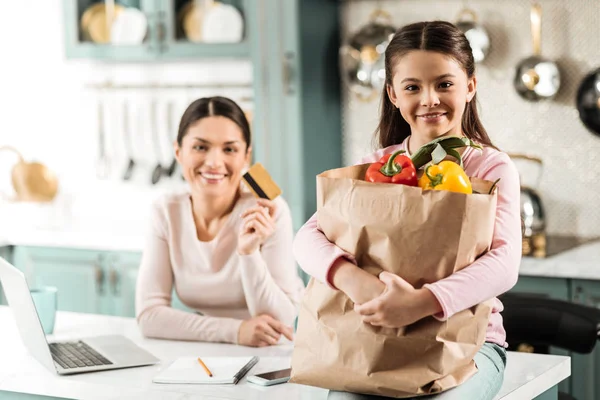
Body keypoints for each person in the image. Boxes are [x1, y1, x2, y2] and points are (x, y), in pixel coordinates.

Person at [293, 21, 521, 399]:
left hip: (471, 347)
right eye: (412, 87)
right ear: (393, 95)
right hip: (377, 342)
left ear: (471, 85)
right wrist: (358, 284)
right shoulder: (377, 166)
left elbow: (504, 263)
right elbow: (306, 238)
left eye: (444, 84)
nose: (429, 98)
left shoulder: (489, 167)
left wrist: (422, 303)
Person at [136, 96, 304, 347]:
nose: (214, 162)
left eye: (229, 149)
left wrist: (248, 254)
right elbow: (149, 316)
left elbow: (282, 319)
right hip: (206, 351)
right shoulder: (165, 211)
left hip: (271, 355)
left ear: (246, 156)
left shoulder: (270, 210)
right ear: (178, 152)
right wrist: (235, 331)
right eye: (201, 147)